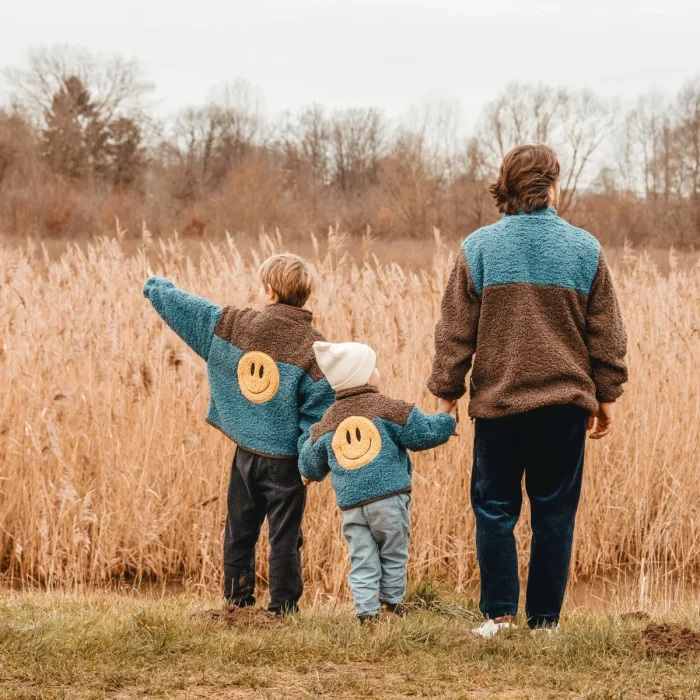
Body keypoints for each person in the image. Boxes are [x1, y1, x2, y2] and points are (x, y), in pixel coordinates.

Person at [427, 144, 628, 636]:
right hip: (564, 409)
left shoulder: (479, 248)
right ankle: (544, 623)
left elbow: (455, 331)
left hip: (499, 407)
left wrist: (446, 396)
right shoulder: (585, 249)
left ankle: (498, 616)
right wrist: (606, 397)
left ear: (507, 187)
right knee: (554, 513)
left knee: (495, 509)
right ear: (552, 187)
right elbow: (608, 335)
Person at [143, 253, 334, 615]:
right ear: (303, 296)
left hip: (246, 455)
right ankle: (282, 609)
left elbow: (192, 311)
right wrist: (311, 466)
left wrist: (157, 288)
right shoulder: (315, 348)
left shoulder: (236, 325)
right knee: (285, 538)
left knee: (239, 531)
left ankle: (236, 603)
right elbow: (319, 416)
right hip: (287, 464)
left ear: (268, 290)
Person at [300, 341, 456, 622]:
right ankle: (392, 608)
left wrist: (309, 474)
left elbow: (310, 462)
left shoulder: (328, 422)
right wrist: (445, 415)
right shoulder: (389, 409)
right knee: (393, 553)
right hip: (389, 500)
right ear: (364, 376)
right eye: (372, 367)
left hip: (352, 506)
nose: (377, 371)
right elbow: (424, 433)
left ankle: (366, 615)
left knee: (362, 558)